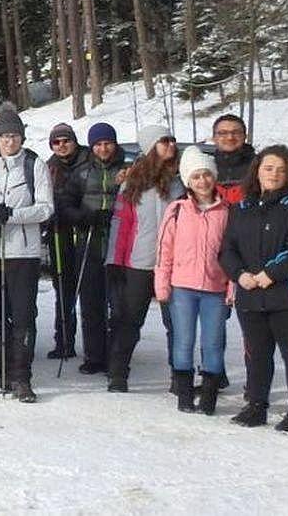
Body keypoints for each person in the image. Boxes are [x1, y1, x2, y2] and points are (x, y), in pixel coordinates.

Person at [220, 145, 288, 434]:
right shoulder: (241, 208)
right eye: (268, 168)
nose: (273, 174)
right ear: (257, 171)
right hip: (250, 295)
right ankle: (256, 406)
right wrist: (239, 274)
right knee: (257, 354)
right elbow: (227, 249)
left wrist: (270, 274)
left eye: (280, 169)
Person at [0, 103, 53, 402]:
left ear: (22, 138)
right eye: (4, 136)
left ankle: (22, 377)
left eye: (14, 136)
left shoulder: (34, 165)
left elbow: (45, 208)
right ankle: (2, 372)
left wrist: (12, 214)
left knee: (23, 316)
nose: (9, 142)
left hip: (23, 253)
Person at [155, 147, 231, 415]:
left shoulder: (226, 210)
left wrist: (231, 287)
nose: (202, 182)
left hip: (215, 287)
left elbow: (234, 254)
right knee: (183, 341)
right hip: (182, 287)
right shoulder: (177, 210)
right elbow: (165, 250)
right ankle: (184, 395)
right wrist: (162, 284)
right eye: (196, 176)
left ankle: (209, 397)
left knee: (213, 342)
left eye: (206, 175)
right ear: (188, 180)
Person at [104, 126, 181, 392]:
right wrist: (115, 260)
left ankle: (179, 376)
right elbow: (121, 223)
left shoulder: (180, 180)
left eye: (172, 139)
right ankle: (118, 373)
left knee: (175, 323)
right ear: (150, 146)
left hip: (172, 264)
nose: (170, 144)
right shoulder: (133, 181)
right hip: (139, 261)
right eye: (164, 140)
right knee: (130, 319)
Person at [57, 122, 127, 375]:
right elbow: (65, 204)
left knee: (118, 305)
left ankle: (117, 357)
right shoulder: (83, 172)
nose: (103, 148)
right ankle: (94, 356)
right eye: (98, 144)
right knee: (91, 302)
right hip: (90, 243)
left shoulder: (128, 169)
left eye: (107, 143)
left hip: (120, 245)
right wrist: (85, 217)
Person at [44, 122, 84, 361]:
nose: (62, 146)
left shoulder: (87, 160)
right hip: (59, 232)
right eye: (56, 142)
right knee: (63, 289)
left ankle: (98, 344)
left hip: (84, 229)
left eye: (66, 140)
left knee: (90, 291)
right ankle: (64, 341)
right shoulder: (49, 167)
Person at [210, 114, 254, 204]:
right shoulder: (205, 167)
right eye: (223, 133)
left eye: (236, 132)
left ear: (245, 136)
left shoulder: (259, 165)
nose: (230, 137)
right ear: (214, 138)